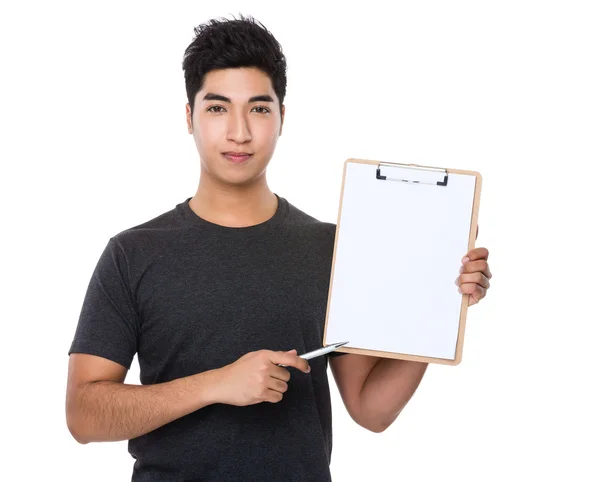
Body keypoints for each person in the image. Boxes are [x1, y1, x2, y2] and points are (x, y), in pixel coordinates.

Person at [66, 14, 492, 481]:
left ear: (282, 117)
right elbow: (84, 415)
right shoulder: (133, 254)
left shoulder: (332, 248)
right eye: (217, 108)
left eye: (259, 108)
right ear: (189, 117)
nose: (239, 132)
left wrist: (440, 302)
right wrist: (216, 384)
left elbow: (371, 410)